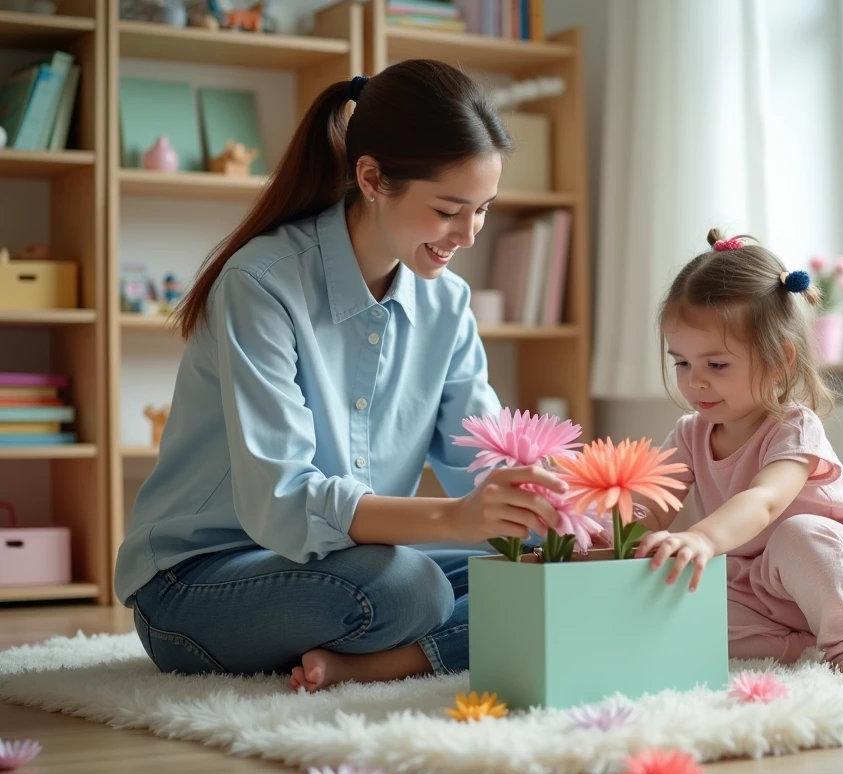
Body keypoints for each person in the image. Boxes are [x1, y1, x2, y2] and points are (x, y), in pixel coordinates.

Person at [113, 60, 566, 693]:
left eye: (483, 210)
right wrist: (454, 520)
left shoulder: (447, 302)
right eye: (448, 210)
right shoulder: (262, 283)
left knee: (548, 578)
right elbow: (284, 503)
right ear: (373, 178)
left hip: (344, 564)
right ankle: (416, 639)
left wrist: (545, 508)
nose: (468, 235)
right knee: (410, 589)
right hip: (201, 580)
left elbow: (479, 454)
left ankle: (372, 662)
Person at [632, 229, 843, 679]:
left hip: (842, 582)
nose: (694, 381)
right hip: (759, 592)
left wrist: (701, 537)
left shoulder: (794, 427)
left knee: (798, 534)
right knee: (678, 594)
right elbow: (646, 510)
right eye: (682, 362)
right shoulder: (689, 434)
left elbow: (765, 501)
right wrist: (586, 528)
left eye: (716, 365)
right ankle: (797, 646)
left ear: (779, 359)